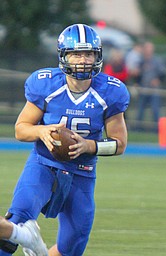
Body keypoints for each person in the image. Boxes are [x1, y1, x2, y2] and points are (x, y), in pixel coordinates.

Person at [0, 24, 129, 256]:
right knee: (14, 224)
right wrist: (41, 131)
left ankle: (35, 246)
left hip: (82, 172)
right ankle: (25, 236)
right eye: (76, 53)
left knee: (72, 247)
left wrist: (88, 145)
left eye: (88, 53)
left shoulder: (110, 92)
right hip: (43, 165)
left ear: (97, 56)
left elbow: (120, 144)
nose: (83, 60)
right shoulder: (46, 84)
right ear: (64, 56)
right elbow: (21, 129)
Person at [135, 41, 166, 128]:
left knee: (155, 109)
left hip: (154, 89)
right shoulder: (141, 60)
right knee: (140, 109)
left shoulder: (157, 60)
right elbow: (138, 74)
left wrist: (158, 80)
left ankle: (157, 128)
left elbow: (163, 73)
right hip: (143, 88)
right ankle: (138, 128)